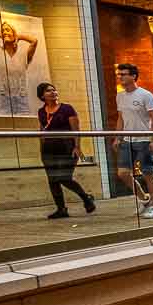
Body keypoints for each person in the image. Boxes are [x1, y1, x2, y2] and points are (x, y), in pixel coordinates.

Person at [36, 82, 95, 219]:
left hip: (67, 147)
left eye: (54, 90)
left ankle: (86, 198)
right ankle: (61, 209)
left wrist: (77, 147)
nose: (53, 92)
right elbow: (41, 131)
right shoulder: (41, 111)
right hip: (49, 149)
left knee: (64, 177)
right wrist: (41, 149)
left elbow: (76, 129)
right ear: (42, 96)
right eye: (48, 91)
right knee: (52, 180)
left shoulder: (67, 109)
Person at [112, 62, 153, 218]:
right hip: (127, 141)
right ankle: (144, 199)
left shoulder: (146, 95)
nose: (120, 77)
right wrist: (117, 137)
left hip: (144, 140)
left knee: (148, 173)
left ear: (133, 76)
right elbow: (121, 118)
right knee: (123, 173)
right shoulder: (119, 96)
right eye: (119, 74)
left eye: (123, 74)